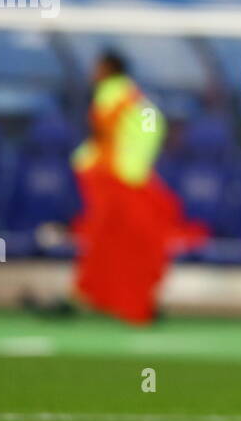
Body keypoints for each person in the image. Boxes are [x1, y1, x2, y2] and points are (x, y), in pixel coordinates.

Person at [70, 51, 204, 325]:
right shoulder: (135, 97)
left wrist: (97, 164)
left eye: (96, 67)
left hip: (116, 180)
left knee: (117, 242)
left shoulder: (111, 94)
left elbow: (105, 134)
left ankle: (117, 301)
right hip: (129, 179)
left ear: (107, 69)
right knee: (136, 241)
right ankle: (132, 301)